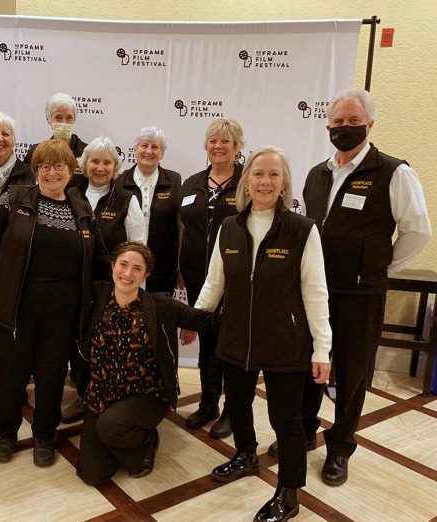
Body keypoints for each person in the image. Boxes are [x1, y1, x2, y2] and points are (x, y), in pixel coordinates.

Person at [296, 88, 432, 487]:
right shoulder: (316, 173)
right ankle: (304, 430)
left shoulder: (394, 172)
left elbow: (417, 231)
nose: (344, 128)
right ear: (327, 126)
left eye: (353, 121)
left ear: (370, 124)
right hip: (315, 291)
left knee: (353, 372)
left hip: (360, 294)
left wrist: (381, 265)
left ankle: (339, 446)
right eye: (338, 122)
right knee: (309, 364)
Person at [196, 146, 332, 522]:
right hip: (236, 338)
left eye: (274, 174)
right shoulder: (230, 226)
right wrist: (192, 320)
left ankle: (289, 492)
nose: (265, 181)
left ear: (284, 182)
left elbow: (315, 291)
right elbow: (214, 283)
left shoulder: (302, 230)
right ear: (247, 180)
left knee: (285, 419)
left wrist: (322, 349)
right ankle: (245, 454)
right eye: (258, 173)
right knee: (236, 404)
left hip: (285, 342)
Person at [0, 139, 109, 468]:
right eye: (43, 166)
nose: (51, 172)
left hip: (64, 309)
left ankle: (44, 435)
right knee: (10, 374)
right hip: (17, 302)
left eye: (58, 165)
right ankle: (5, 434)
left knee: (51, 374)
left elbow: (100, 260)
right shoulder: (13, 198)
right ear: (35, 171)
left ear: (71, 170)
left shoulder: (82, 209)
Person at [76, 242, 216, 485]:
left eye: (137, 269)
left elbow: (205, 320)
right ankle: (118, 436)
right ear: (112, 265)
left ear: (146, 274)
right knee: (91, 473)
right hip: (101, 393)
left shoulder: (161, 305)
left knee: (110, 426)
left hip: (145, 395)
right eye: (123, 265)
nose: (128, 274)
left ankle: (146, 442)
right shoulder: (97, 297)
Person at [61, 136, 145, 424]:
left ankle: (105, 395)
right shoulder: (69, 192)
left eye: (106, 162)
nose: (100, 167)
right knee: (77, 339)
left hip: (111, 288)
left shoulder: (126, 199)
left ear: (115, 166)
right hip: (72, 283)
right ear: (84, 164)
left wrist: (135, 290)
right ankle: (84, 392)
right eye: (94, 161)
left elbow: (138, 246)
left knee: (105, 342)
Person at [178, 118, 245, 438]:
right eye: (212, 141)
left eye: (225, 142)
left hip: (236, 278)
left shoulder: (249, 182)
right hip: (196, 276)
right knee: (208, 341)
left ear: (237, 147)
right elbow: (182, 230)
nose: (218, 147)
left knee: (231, 345)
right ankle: (208, 402)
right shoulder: (192, 183)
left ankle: (233, 410)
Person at [115, 127, 181, 293]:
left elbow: (180, 227)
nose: (149, 151)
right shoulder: (119, 181)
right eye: (144, 146)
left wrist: (179, 266)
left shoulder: (175, 180)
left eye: (155, 147)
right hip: (125, 269)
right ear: (135, 149)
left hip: (162, 269)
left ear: (162, 153)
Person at [22, 92, 87, 183]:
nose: (64, 123)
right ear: (48, 119)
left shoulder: (87, 153)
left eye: (69, 117)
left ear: (75, 119)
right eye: (58, 118)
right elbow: (26, 188)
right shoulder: (36, 152)